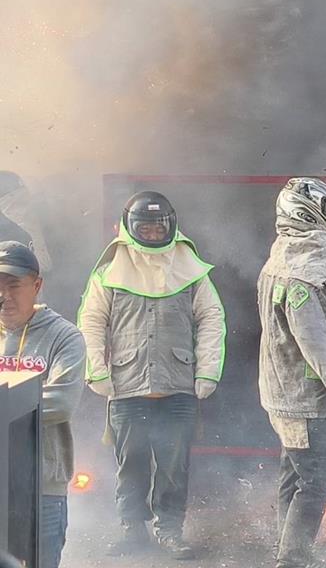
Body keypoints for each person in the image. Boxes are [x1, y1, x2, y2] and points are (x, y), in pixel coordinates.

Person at [79, 191, 226, 559]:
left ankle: (170, 531)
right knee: (130, 464)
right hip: (126, 387)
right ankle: (132, 530)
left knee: (175, 467)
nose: (153, 234)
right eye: (145, 228)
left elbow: (212, 318)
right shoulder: (108, 273)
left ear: (171, 226)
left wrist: (208, 370)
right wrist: (96, 370)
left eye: (159, 228)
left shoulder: (190, 269)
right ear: (130, 228)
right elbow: (91, 322)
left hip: (178, 388)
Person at [257, 178, 326, 568]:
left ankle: (287, 550)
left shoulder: (286, 259)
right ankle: (292, 559)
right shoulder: (302, 272)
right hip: (308, 399)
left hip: (288, 395)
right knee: (319, 479)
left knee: (296, 473)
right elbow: (314, 341)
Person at [0, 242, 84, 568]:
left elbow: (61, 402)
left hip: (43, 486)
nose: (4, 295)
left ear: (37, 285)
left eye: (14, 285)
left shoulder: (64, 337)